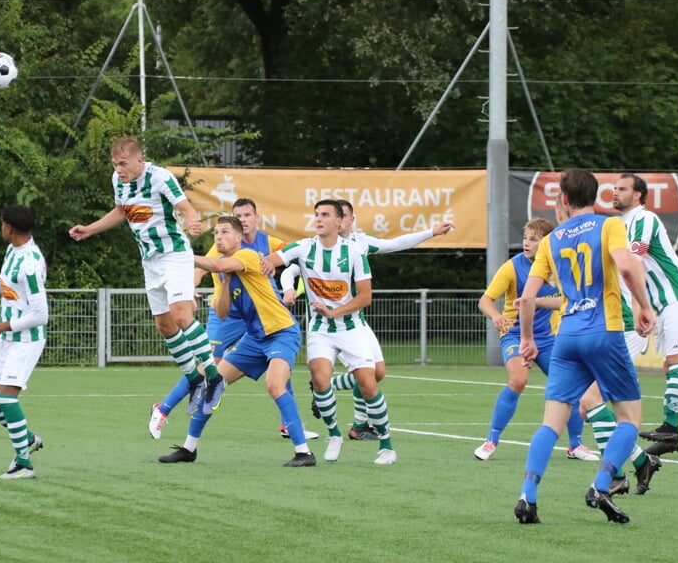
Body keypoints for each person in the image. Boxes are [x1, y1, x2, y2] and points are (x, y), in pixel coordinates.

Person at [513, 169, 656, 525]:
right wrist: (643, 305)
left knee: (550, 424)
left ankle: (527, 497)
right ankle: (602, 484)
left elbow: (528, 297)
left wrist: (527, 339)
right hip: (603, 331)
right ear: (598, 195)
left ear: (563, 199)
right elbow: (626, 266)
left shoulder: (551, 240)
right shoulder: (609, 225)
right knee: (629, 417)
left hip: (567, 337)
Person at [69, 136, 225, 416]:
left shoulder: (159, 177)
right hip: (150, 261)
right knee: (165, 326)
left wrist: (192, 219)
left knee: (181, 315)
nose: (119, 169)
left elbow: (184, 205)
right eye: (115, 164)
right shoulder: (118, 181)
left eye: (124, 164)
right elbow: (121, 212)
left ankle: (214, 378)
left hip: (175, 254)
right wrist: (90, 229)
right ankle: (194, 380)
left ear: (139, 160)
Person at [279, 200, 454, 441]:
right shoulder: (314, 245)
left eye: (343, 216)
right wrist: (288, 288)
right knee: (366, 375)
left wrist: (431, 232)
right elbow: (290, 269)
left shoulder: (359, 243)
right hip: (326, 325)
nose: (335, 220)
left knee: (377, 373)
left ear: (349, 220)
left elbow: (394, 244)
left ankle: (325, 387)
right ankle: (358, 424)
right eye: (322, 215)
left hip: (355, 321)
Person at [148, 198, 318, 441]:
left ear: (255, 218)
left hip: (262, 314)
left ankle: (288, 426)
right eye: (238, 216)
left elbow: (298, 259)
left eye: (247, 215)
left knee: (277, 369)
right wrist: (187, 291)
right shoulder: (221, 248)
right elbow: (204, 268)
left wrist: (292, 287)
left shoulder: (267, 242)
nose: (243, 220)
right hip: (227, 314)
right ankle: (165, 410)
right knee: (209, 367)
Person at [262, 199, 397, 465]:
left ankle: (387, 446)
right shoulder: (304, 247)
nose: (319, 219)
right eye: (316, 214)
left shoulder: (354, 251)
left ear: (339, 221)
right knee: (320, 379)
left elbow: (366, 297)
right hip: (320, 329)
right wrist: (263, 264)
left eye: (325, 214)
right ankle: (334, 434)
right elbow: (276, 260)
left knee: (369, 383)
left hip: (352, 326)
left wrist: (333, 311)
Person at [554, 195, 662, 495]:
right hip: (595, 332)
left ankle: (615, 475)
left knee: (589, 403)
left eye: (559, 215)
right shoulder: (571, 244)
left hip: (618, 328)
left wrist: (643, 306)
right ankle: (640, 460)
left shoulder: (590, 235)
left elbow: (629, 266)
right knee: (588, 408)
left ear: (566, 210)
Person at [474, 218, 598, 462]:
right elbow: (485, 301)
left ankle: (576, 446)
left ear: (547, 243)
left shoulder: (560, 268)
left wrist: (537, 301)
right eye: (525, 238)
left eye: (533, 238)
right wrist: (497, 316)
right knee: (519, 379)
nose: (526, 243)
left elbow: (566, 300)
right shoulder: (512, 267)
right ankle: (491, 440)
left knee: (571, 387)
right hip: (514, 334)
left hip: (548, 338)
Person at [613, 172, 678, 456]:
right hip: (661, 304)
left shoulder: (644, 219)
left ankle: (670, 429)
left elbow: (634, 261)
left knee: (676, 360)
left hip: (677, 295)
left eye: (622, 188)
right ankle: (670, 435)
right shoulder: (621, 225)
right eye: (614, 188)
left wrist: (639, 307)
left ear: (638, 194)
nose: (615, 192)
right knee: (669, 366)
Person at [0, 205, 48, 480]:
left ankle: (24, 464)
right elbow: (10, 286)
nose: (1, 227)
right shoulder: (12, 251)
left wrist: (1, 326)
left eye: (2, 223)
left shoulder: (30, 263)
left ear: (9, 228)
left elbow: (40, 314)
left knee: (6, 397)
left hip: (25, 340)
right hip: (7, 337)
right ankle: (26, 438)